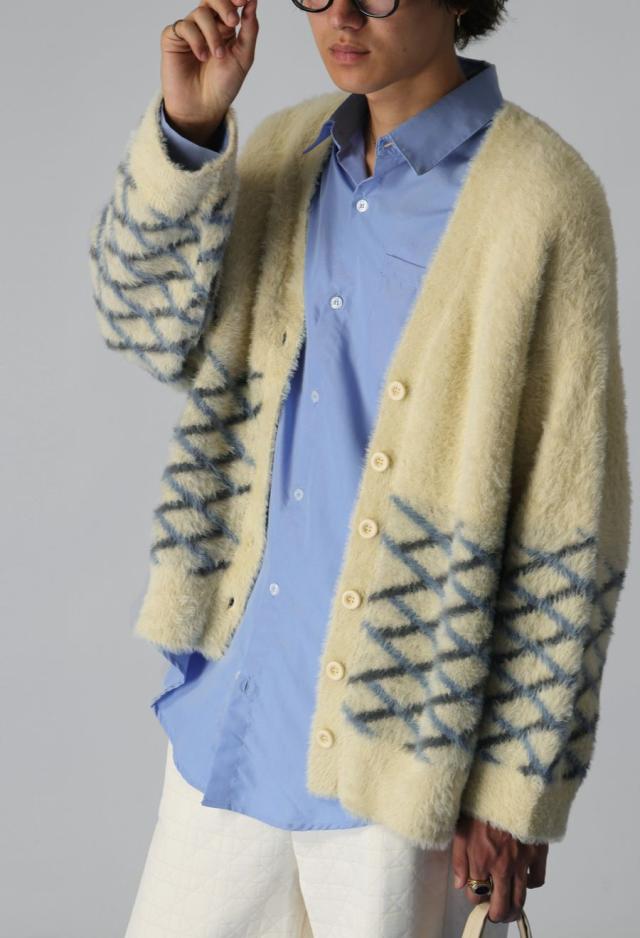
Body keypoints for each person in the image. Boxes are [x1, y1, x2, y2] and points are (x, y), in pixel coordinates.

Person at [88, 1, 631, 936]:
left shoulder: (542, 196)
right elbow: (143, 325)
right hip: (237, 715)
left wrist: (516, 787)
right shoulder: (285, 150)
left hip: (405, 752)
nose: (340, 13)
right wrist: (190, 128)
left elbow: (571, 515)